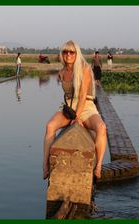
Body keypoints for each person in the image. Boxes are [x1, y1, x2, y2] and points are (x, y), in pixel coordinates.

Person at [42, 40, 107, 180]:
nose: (68, 54)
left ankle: (99, 165)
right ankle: (45, 165)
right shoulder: (62, 72)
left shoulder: (84, 68)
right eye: (65, 51)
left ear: (77, 53)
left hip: (87, 106)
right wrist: (72, 114)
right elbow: (67, 96)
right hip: (68, 106)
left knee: (101, 127)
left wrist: (77, 118)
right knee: (50, 126)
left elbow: (83, 95)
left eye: (72, 52)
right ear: (62, 54)